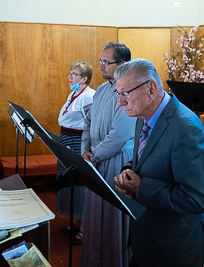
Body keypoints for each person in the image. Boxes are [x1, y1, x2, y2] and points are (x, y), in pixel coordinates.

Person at [113, 58, 204, 267]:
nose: (119, 102)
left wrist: (141, 188)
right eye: (118, 94)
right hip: (147, 239)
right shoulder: (144, 114)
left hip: (174, 249)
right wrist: (128, 171)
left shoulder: (187, 129)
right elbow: (146, 156)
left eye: (125, 94)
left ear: (150, 89)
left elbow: (200, 199)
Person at [80, 42, 136, 267]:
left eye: (106, 62)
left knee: (112, 219)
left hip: (115, 161)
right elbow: (87, 123)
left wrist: (94, 157)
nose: (101, 66)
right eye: (100, 60)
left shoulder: (128, 93)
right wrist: (84, 151)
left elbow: (119, 135)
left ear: (122, 64)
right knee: (94, 217)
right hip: (94, 160)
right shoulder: (102, 90)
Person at [56, 61, 95, 245]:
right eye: (70, 73)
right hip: (66, 140)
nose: (70, 76)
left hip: (78, 142)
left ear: (84, 78)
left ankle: (83, 228)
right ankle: (75, 222)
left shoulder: (88, 96)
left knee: (80, 186)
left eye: (74, 74)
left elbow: (90, 124)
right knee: (68, 182)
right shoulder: (74, 93)